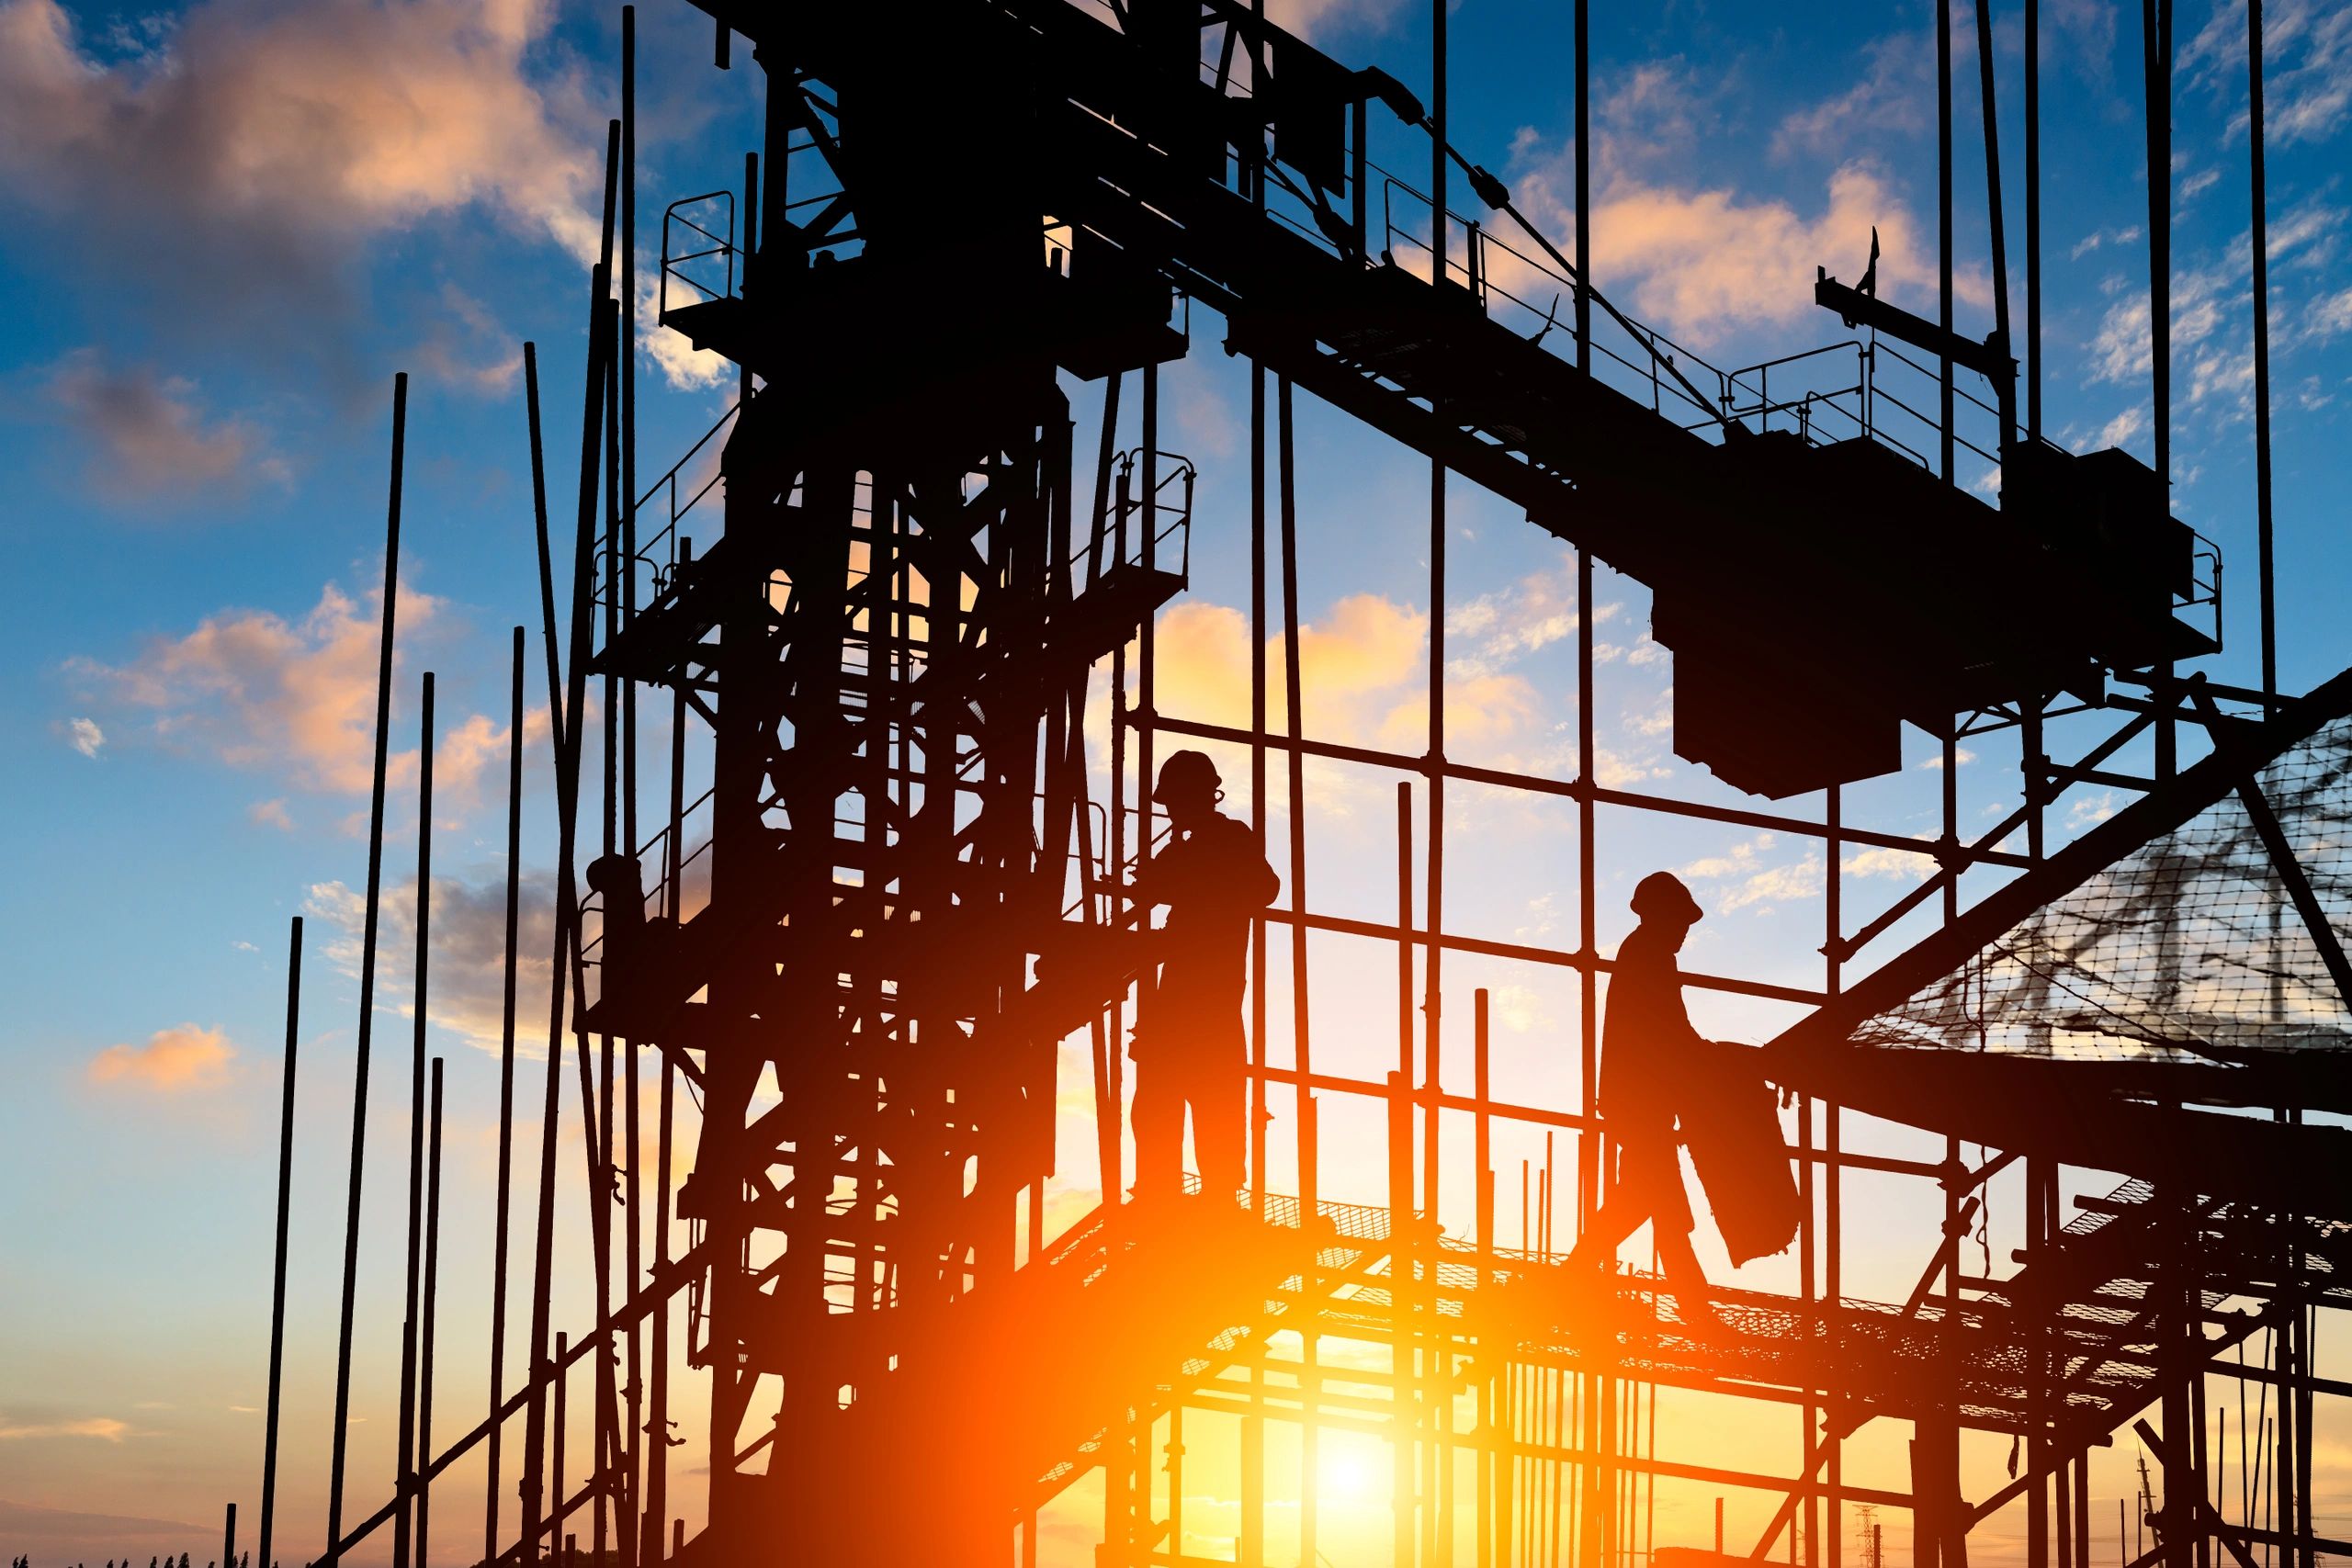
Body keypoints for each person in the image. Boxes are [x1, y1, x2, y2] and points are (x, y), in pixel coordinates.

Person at [1563, 870, 1722, 1329]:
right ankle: (1694, 1309)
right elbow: (1671, 1032)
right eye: (1681, 921)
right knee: (1657, 1205)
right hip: (1639, 1102)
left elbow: (1671, 1034)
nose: (1685, 931)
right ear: (1661, 916)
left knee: (1643, 1200)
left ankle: (1568, 1282)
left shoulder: (1646, 954)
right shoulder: (1648, 956)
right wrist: (1722, 1062)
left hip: (1636, 1100)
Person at [1127, 750, 1279, 1205]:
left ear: (1198, 796)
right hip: (1175, 993)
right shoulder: (1184, 848)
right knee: (1157, 1099)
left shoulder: (1229, 838)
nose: (1170, 811)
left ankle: (1218, 1194)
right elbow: (1155, 888)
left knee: (1214, 1097)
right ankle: (1158, 1189)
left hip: (1211, 994)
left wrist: (1188, 879)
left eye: (1174, 800)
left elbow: (1265, 889)